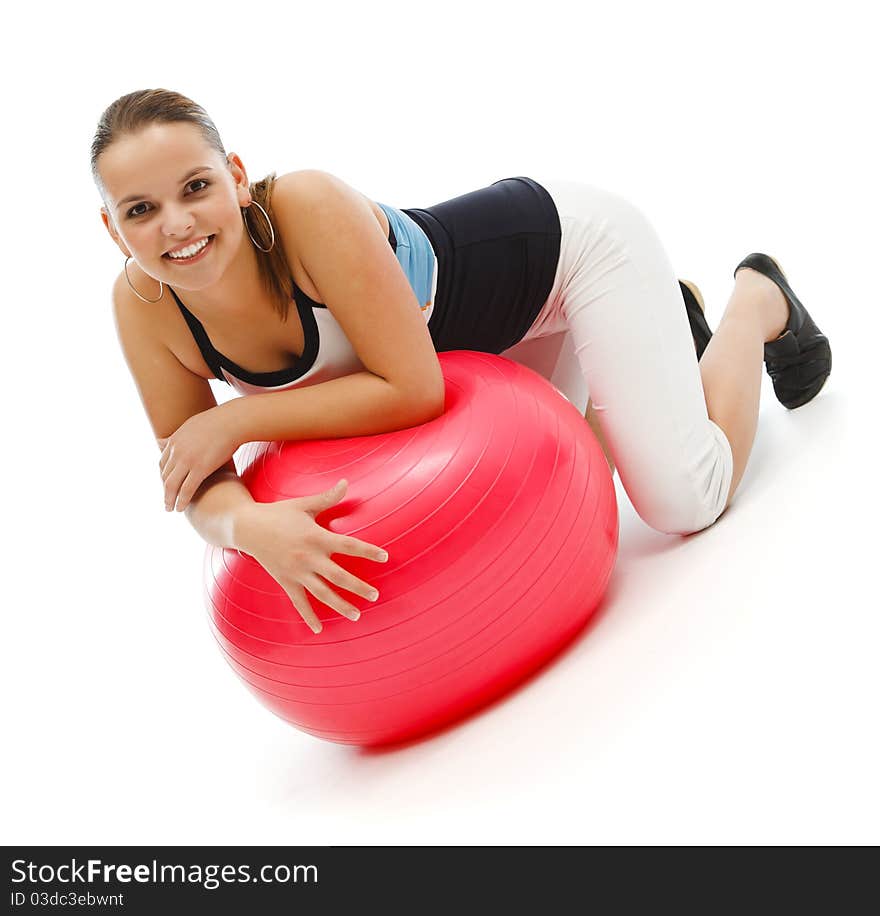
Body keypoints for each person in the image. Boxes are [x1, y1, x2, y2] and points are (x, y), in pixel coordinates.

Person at [93, 89, 831, 634]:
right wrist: (246, 529)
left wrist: (239, 420)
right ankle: (666, 315)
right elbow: (195, 471)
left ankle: (752, 302)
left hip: (569, 256)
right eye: (140, 210)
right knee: (539, 489)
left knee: (684, 500)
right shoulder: (144, 308)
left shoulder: (305, 207)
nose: (177, 225)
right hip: (490, 347)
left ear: (237, 176)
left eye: (196, 187)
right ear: (111, 226)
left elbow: (413, 390)